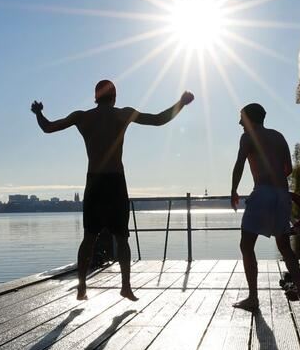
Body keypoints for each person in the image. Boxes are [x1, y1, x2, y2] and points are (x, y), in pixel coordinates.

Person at [32, 80, 194, 301]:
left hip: (94, 182)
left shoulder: (82, 117)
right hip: (115, 182)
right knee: (122, 237)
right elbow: (158, 120)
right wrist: (181, 102)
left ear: (95, 97)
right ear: (114, 97)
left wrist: (38, 113)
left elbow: (48, 127)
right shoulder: (122, 114)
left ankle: (82, 287)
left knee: (89, 237)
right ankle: (125, 286)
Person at [230, 103, 300, 310]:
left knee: (246, 245)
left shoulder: (247, 137)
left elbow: (239, 163)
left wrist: (233, 190)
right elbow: (288, 169)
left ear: (249, 119)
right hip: (282, 194)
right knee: (284, 246)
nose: (239, 123)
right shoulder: (279, 136)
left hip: (263, 192)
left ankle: (253, 298)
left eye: (241, 118)